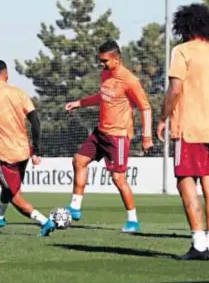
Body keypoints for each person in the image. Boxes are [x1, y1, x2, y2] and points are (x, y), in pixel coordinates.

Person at [157, 3, 209, 260]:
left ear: (184, 26)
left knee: (186, 181)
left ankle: (198, 243)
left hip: (189, 130)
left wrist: (163, 117)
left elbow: (175, 89)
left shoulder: (182, 51)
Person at [64, 40, 153, 233]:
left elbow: (145, 107)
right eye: (100, 60)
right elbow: (102, 96)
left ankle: (132, 220)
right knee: (79, 161)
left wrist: (147, 137)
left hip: (118, 137)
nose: (101, 64)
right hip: (100, 133)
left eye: (104, 61)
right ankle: (75, 207)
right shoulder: (105, 74)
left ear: (117, 59)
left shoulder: (129, 80)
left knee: (118, 179)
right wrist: (79, 103)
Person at [0, 60, 56, 236]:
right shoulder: (19, 93)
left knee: (14, 195)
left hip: (5, 156)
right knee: (8, 187)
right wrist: (37, 149)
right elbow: (35, 121)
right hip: (23, 153)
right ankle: (0, 216)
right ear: (6, 74)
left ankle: (44, 221)